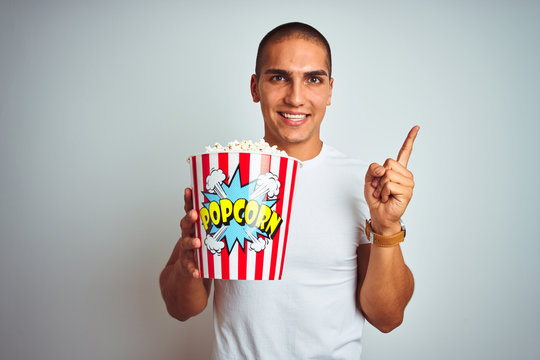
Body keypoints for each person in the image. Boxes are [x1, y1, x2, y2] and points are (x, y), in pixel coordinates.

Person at [160, 22, 418, 359]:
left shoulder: (363, 183)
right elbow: (182, 308)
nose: (296, 97)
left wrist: (386, 228)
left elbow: (387, 317)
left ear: (329, 90)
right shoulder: (223, 175)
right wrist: (186, 262)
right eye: (278, 77)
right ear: (255, 87)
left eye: (313, 79)